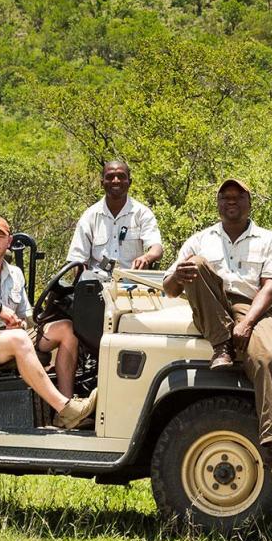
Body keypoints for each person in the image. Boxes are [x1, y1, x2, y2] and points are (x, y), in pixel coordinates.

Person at [163, 178, 272, 478]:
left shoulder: (269, 239)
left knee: (268, 358)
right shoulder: (201, 239)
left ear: (250, 202)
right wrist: (180, 277)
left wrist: (248, 323)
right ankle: (221, 343)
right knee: (194, 264)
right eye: (225, 196)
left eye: (238, 196)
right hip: (213, 307)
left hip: (255, 310)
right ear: (218, 202)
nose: (231, 201)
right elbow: (170, 289)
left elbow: (270, 286)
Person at [0, 216, 96, 430]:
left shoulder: (14, 273)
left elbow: (27, 314)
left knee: (66, 329)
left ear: (9, 241)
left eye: (0, 237)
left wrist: (23, 323)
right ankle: (62, 406)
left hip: (11, 335)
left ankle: (68, 411)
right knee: (19, 339)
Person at [47, 159, 164, 390]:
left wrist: (147, 257)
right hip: (96, 293)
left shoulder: (142, 214)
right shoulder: (90, 216)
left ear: (130, 181)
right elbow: (76, 260)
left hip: (132, 291)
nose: (116, 181)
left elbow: (156, 248)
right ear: (102, 182)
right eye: (110, 176)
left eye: (121, 176)